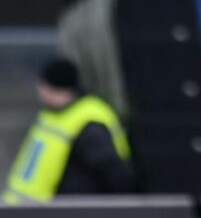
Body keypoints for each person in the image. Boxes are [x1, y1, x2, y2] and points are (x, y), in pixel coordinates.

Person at [4, 56, 134, 203]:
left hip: (77, 214)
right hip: (41, 213)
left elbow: (116, 174)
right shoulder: (52, 116)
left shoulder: (89, 122)